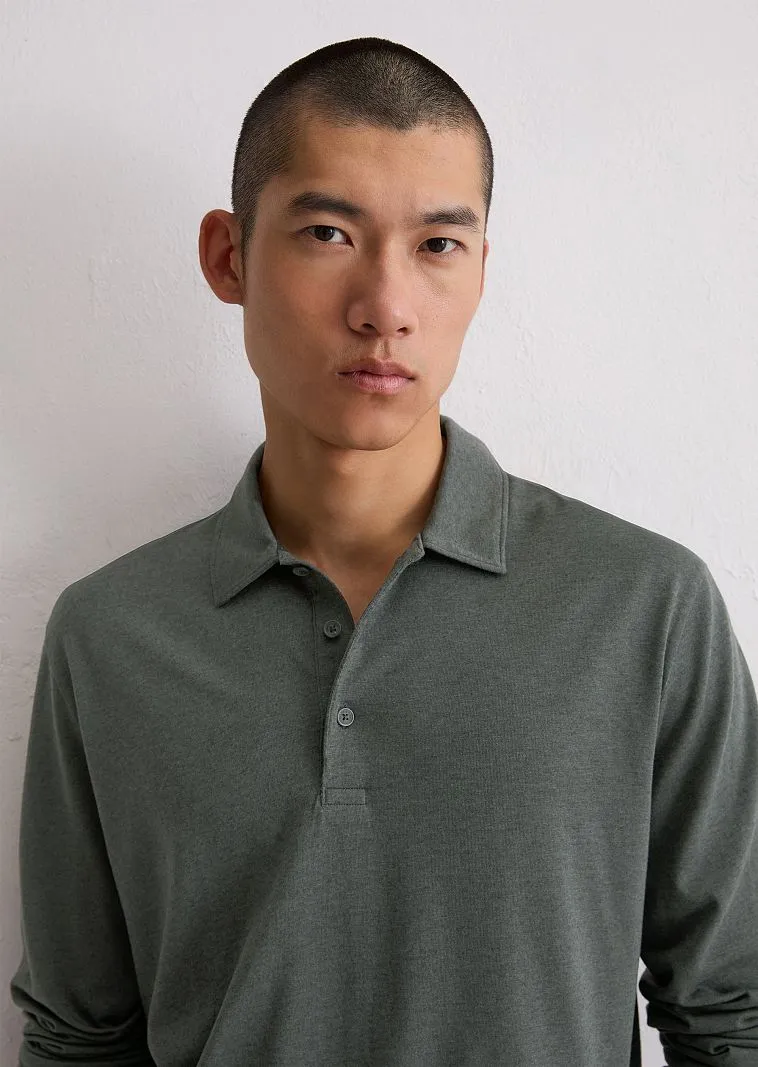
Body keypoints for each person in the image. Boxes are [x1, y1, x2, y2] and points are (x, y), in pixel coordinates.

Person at [9, 35, 758, 1067]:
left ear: (481, 269)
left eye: (438, 244)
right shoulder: (109, 636)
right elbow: (76, 1036)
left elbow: (734, 1011)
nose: (386, 308)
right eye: (328, 232)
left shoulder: (646, 608)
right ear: (229, 256)